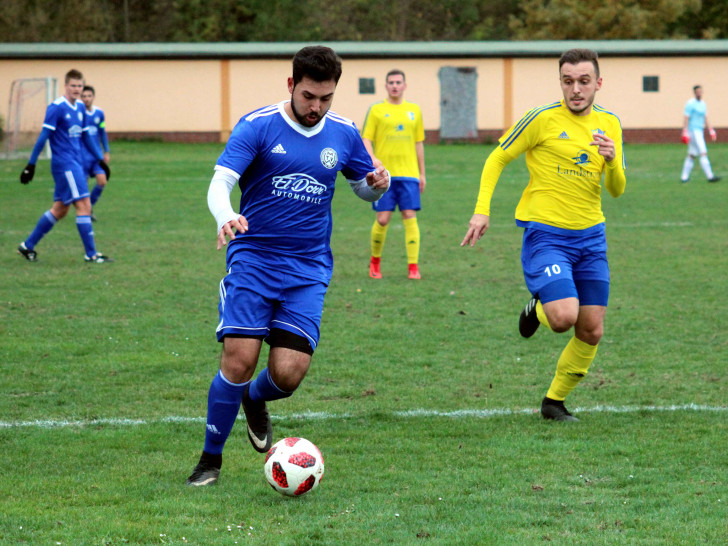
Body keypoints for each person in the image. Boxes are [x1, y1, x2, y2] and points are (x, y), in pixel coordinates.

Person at [186, 45, 390, 486]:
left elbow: (362, 187)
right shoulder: (257, 126)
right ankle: (209, 461)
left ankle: (254, 401)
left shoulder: (343, 132)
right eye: (309, 96)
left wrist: (377, 185)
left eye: (326, 98)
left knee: (288, 374)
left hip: (308, 268)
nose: (317, 107)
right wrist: (226, 216)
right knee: (239, 360)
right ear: (291, 85)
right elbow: (220, 184)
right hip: (254, 259)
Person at [461, 48, 626, 422]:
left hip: (592, 238)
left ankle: (554, 403)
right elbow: (497, 157)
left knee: (592, 328)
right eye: (568, 81)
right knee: (565, 315)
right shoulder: (542, 119)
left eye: (584, 81)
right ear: (561, 83)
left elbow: (616, 189)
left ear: (598, 83)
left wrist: (613, 160)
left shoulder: (610, 124)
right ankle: (536, 307)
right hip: (547, 236)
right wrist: (482, 209)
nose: (576, 89)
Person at [18, 69, 111, 263]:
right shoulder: (57, 108)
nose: (77, 89)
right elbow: (43, 137)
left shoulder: (80, 109)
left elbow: (87, 137)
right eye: (73, 86)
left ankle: (27, 246)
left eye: (80, 86)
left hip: (76, 163)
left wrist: (100, 159)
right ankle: (92, 254)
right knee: (84, 205)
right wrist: (31, 164)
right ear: (66, 86)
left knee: (60, 210)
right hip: (65, 165)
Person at [362, 69, 426, 280]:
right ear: (386, 86)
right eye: (391, 82)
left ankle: (413, 267)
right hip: (384, 175)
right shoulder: (377, 110)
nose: (395, 85)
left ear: (405, 85)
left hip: (409, 174)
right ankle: (375, 263)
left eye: (399, 82)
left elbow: (419, 143)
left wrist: (422, 173)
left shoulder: (414, 110)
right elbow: (366, 139)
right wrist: (371, 160)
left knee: (410, 216)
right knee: (382, 219)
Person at [80, 85, 111, 218]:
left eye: (89, 96)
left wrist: (107, 151)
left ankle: (89, 207)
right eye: (84, 96)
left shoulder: (99, 113)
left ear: (93, 97)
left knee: (102, 181)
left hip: (97, 156)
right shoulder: (79, 114)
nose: (86, 99)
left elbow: (102, 132)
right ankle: (85, 211)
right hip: (82, 155)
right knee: (84, 186)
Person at [680, 85, 720, 183]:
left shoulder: (703, 104)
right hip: (693, 131)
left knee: (692, 154)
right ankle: (710, 176)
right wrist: (685, 131)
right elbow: (686, 117)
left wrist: (710, 129)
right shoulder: (690, 103)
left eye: (700, 91)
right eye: (697, 92)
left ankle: (684, 177)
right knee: (703, 152)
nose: (699, 93)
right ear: (694, 93)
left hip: (699, 130)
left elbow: (705, 117)